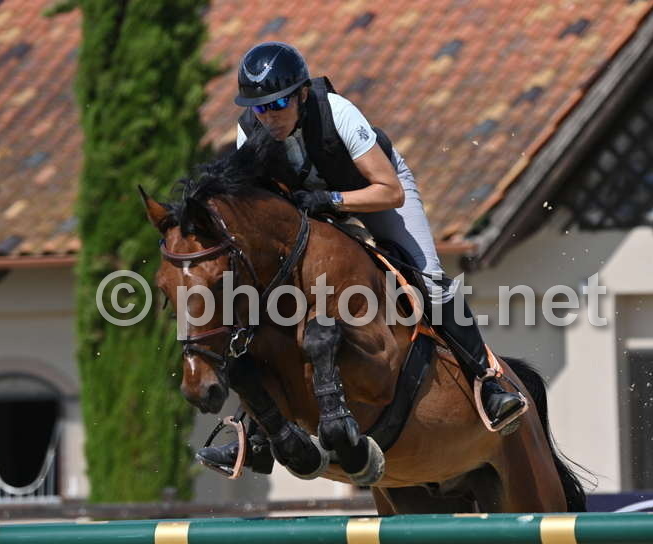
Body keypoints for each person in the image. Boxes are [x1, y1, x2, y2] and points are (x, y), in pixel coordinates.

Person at [198, 42, 525, 475]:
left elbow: (390, 191)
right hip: (310, 211)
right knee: (262, 304)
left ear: (300, 94)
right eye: (259, 107)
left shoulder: (337, 113)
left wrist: (332, 199)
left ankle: (489, 382)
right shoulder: (251, 132)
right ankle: (251, 433)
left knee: (429, 279)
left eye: (277, 104)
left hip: (373, 192)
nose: (269, 116)